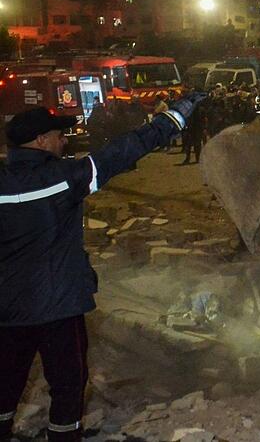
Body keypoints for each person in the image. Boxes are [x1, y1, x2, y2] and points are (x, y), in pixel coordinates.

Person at [0, 96, 204, 442]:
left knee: (5, 382)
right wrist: (173, 120)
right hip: (58, 308)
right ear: (40, 141)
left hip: (7, 310)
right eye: (57, 135)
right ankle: (64, 435)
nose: (64, 140)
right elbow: (121, 153)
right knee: (67, 384)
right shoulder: (62, 179)